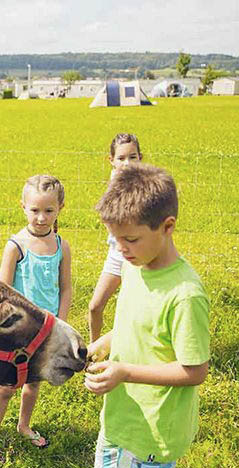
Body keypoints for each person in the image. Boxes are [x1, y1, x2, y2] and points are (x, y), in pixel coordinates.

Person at [85, 163, 210, 468]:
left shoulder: (185, 295)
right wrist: (100, 345)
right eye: (114, 239)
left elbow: (194, 370)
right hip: (118, 419)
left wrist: (125, 372)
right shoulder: (134, 265)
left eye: (130, 239)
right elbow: (133, 325)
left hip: (155, 433)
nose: (121, 249)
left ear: (168, 227)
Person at [0, 175, 72, 462]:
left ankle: (23, 425)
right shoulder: (16, 246)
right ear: (23, 207)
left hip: (47, 331)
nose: (41, 218)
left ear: (60, 208)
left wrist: (62, 324)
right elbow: (2, 293)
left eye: (48, 211)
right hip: (19, 332)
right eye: (34, 210)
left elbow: (66, 287)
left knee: (33, 384)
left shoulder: (61, 246)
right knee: (7, 387)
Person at [87, 133, 143, 342]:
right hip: (116, 253)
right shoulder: (114, 184)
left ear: (141, 158)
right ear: (111, 161)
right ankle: (94, 348)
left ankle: (128, 349)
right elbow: (107, 217)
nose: (127, 163)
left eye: (133, 157)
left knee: (133, 310)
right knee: (95, 306)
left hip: (140, 256)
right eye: (121, 158)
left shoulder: (146, 185)